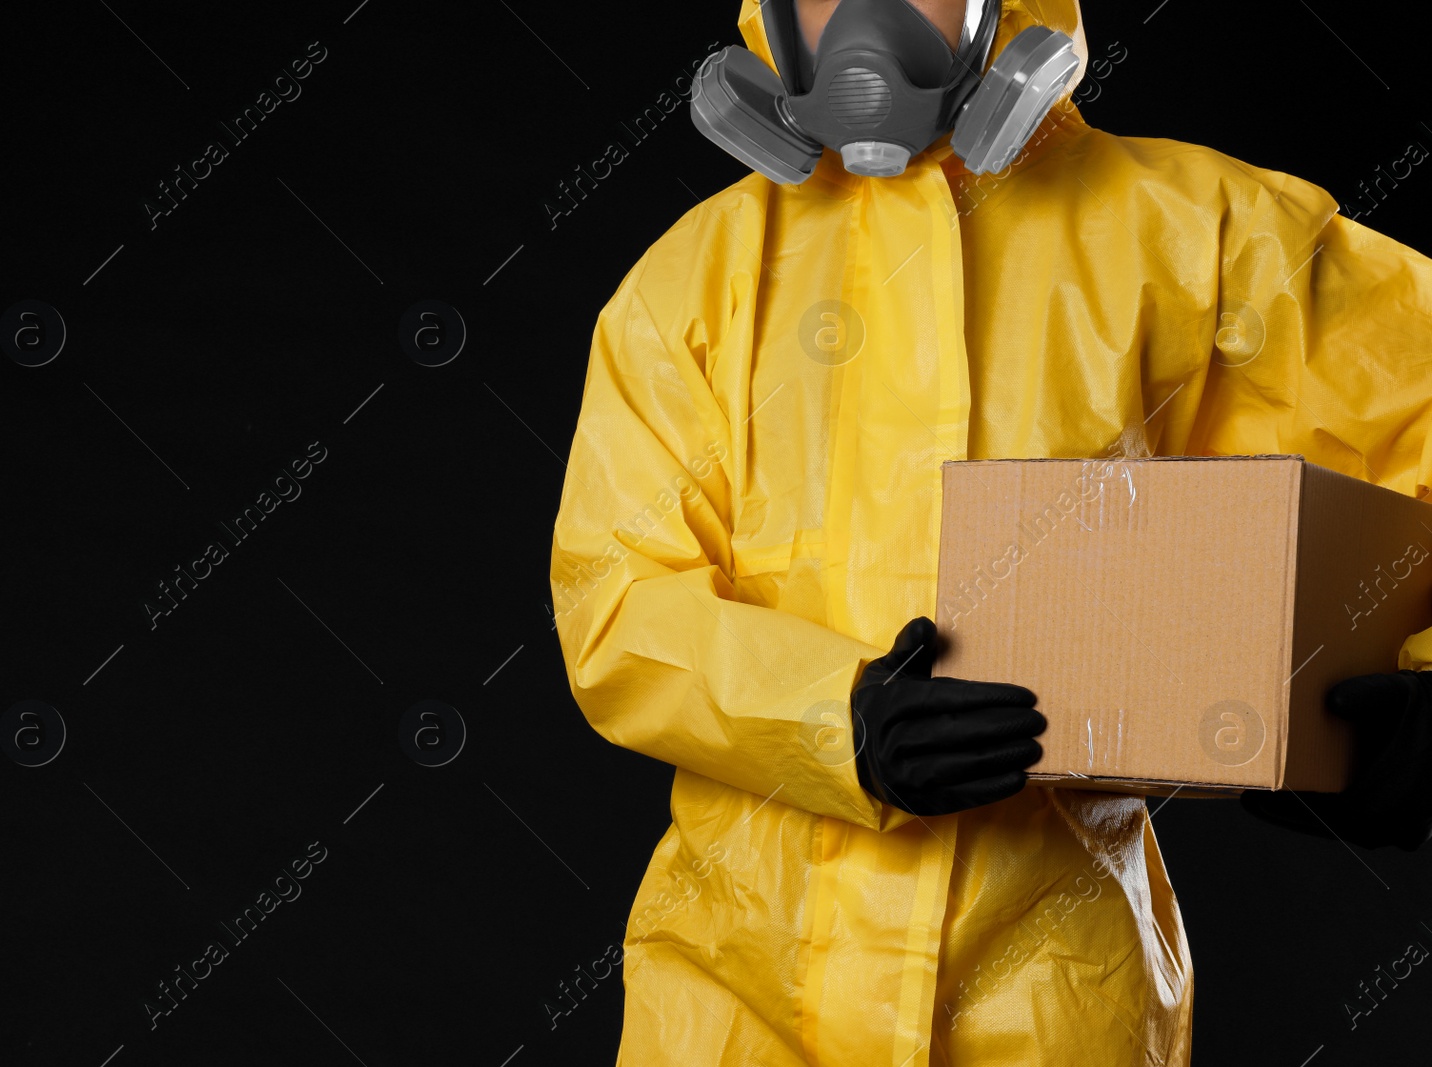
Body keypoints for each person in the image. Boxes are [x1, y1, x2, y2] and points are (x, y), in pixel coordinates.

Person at [549, 0, 1432, 1062]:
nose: (867, 20)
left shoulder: (1191, 236)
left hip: (1054, 1002)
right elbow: (614, 598)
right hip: (732, 1001)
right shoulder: (690, 286)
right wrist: (837, 719)